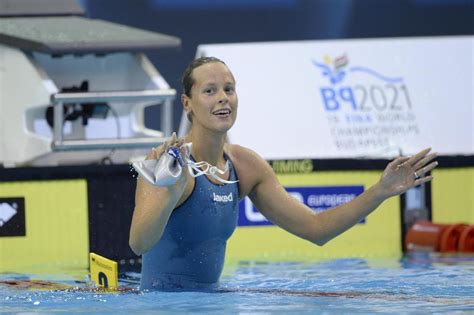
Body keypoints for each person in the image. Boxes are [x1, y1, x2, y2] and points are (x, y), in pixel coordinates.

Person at [129, 57, 438, 291]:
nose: (223, 97)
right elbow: (139, 243)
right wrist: (170, 192)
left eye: (229, 89)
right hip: (163, 306)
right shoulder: (167, 163)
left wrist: (380, 190)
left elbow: (317, 229)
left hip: (213, 304)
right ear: (188, 103)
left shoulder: (246, 166)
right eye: (209, 91)